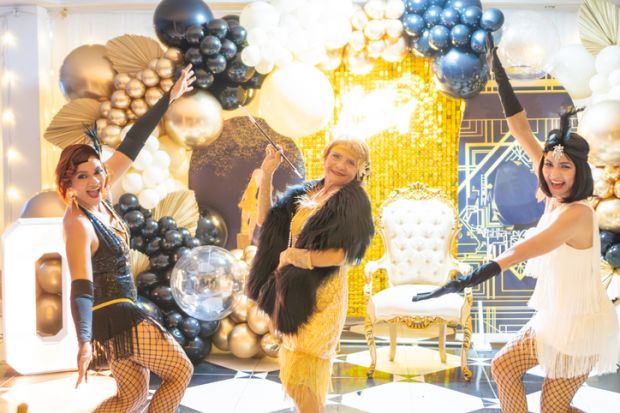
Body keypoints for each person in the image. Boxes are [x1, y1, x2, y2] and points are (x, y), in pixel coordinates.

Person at [413, 38, 618, 412]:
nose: (553, 173)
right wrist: (498, 72)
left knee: (553, 410)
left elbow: (523, 250)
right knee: (503, 366)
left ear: (580, 172)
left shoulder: (578, 214)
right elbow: (521, 128)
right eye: (550, 165)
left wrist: (466, 280)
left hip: (581, 326)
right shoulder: (554, 187)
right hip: (554, 316)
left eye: (565, 167)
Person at [57, 65, 196, 412]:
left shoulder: (100, 193)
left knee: (131, 398)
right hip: (114, 314)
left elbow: (135, 140)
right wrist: (84, 341)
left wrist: (169, 98)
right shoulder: (78, 222)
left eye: (98, 170)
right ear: (69, 185)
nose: (95, 180)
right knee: (181, 370)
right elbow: (81, 288)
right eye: (82, 176)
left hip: (122, 310)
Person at [246, 139, 375, 413]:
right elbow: (265, 220)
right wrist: (268, 171)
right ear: (325, 156)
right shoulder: (308, 192)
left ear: (359, 169)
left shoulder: (354, 203)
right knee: (293, 377)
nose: (340, 165)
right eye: (336, 156)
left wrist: (299, 257)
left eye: (350, 162)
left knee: (305, 378)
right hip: (293, 293)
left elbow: (345, 255)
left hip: (323, 296)